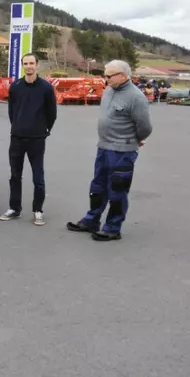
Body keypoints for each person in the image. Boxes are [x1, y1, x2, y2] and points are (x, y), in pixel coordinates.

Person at [67, 60, 153, 241]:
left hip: (122, 151)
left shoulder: (136, 97)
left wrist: (133, 140)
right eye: (105, 75)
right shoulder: (108, 91)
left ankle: (113, 227)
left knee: (117, 190)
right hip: (104, 147)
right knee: (98, 186)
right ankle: (92, 220)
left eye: (109, 76)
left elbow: (145, 127)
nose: (105, 79)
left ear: (123, 76)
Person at [0, 53, 57, 226]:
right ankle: (14, 208)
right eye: (26, 63)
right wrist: (17, 125)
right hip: (17, 138)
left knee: (38, 176)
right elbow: (11, 111)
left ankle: (38, 210)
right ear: (22, 66)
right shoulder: (15, 87)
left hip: (37, 139)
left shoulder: (46, 88)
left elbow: (51, 113)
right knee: (15, 175)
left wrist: (44, 130)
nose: (29, 66)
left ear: (37, 65)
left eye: (32, 63)